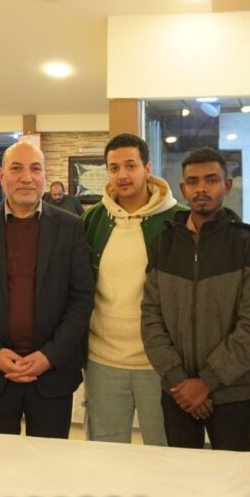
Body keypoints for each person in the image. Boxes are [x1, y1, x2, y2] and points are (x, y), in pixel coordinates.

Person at [0, 142, 93, 438]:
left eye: (35, 169)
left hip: (51, 376)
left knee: (48, 462)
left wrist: (49, 356)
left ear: (45, 176)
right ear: (2, 176)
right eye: (16, 168)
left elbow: (81, 299)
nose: (26, 178)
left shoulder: (71, 227)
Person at [141, 147, 250, 452]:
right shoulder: (164, 243)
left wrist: (206, 382)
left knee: (232, 475)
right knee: (181, 475)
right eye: (193, 181)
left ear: (227, 185)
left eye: (211, 180)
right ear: (183, 188)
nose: (201, 188)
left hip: (232, 392)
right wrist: (179, 381)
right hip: (177, 391)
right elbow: (151, 317)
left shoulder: (249, 243)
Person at [82, 133, 185, 445]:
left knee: (163, 452)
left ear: (147, 168)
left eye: (130, 165)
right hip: (103, 360)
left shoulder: (179, 219)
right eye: (114, 168)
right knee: (106, 454)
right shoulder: (92, 219)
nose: (122, 175)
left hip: (160, 364)